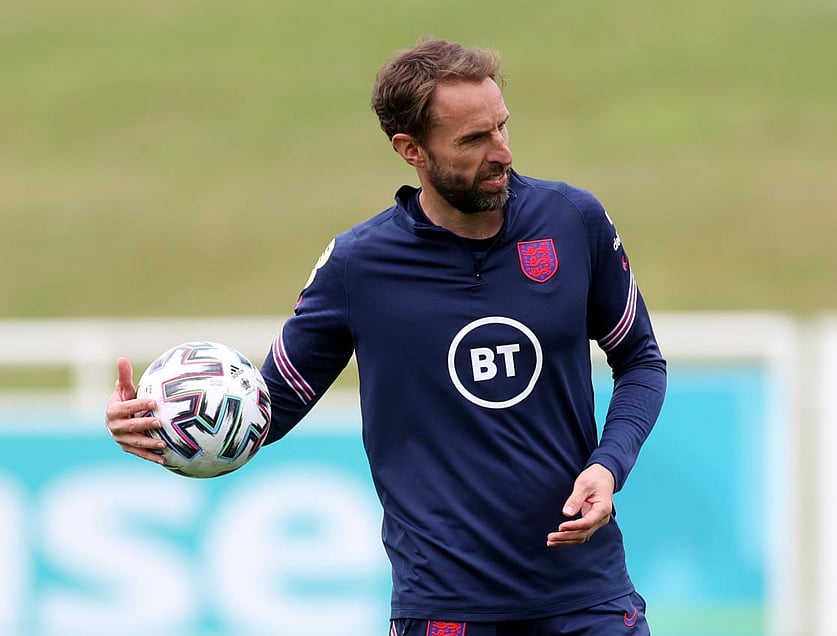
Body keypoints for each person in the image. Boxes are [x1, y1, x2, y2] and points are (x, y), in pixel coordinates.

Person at [106, 37, 667, 636]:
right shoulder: (359, 267)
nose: (501, 152)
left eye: (502, 127)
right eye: (473, 140)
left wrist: (609, 466)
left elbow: (640, 361)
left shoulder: (572, 221)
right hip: (446, 608)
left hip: (589, 597)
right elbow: (265, 412)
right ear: (411, 150)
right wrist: (161, 426)